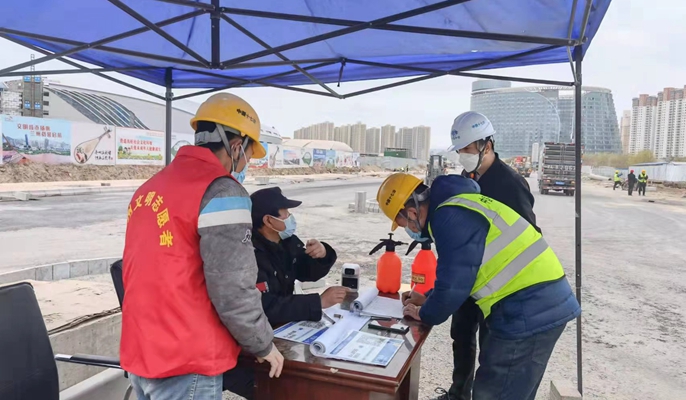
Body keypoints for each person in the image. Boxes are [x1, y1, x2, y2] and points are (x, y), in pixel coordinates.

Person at [120, 93, 284, 400]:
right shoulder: (222, 191)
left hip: (142, 352)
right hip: (187, 359)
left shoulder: (150, 187)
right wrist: (262, 343)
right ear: (236, 146)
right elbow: (233, 286)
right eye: (248, 155)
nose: (245, 164)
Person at [377, 173, 580, 400]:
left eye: (403, 224)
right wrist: (428, 298)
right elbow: (464, 274)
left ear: (412, 213)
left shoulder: (447, 217)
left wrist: (424, 313)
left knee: (493, 393)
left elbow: (453, 286)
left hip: (528, 309)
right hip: (538, 302)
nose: (408, 230)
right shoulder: (460, 205)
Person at [442, 111, 540, 400]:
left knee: (490, 344)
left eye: (468, 148)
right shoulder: (466, 178)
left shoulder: (510, 182)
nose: (463, 155)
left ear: (487, 144)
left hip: (497, 282)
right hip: (470, 276)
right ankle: (458, 394)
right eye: (460, 150)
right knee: (461, 336)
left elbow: (528, 234)